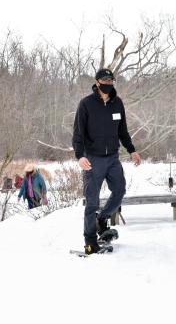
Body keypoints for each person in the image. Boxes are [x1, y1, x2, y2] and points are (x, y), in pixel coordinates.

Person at [73, 68, 141, 255]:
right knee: (92, 202)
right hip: (92, 159)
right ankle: (90, 241)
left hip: (112, 157)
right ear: (97, 82)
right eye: (105, 80)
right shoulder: (86, 104)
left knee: (119, 190)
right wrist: (80, 156)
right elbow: (78, 133)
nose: (108, 83)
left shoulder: (117, 103)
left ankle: (102, 220)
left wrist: (132, 150)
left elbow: (122, 131)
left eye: (111, 80)